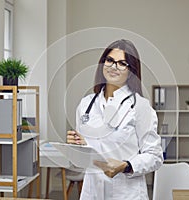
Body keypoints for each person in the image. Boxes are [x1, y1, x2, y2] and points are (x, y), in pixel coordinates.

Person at [67, 39, 163, 199]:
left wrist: (126, 166)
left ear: (131, 70)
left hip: (126, 193)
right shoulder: (86, 104)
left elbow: (155, 155)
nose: (113, 66)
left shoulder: (140, 107)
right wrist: (77, 145)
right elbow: (86, 154)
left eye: (122, 63)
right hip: (92, 192)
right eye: (110, 60)